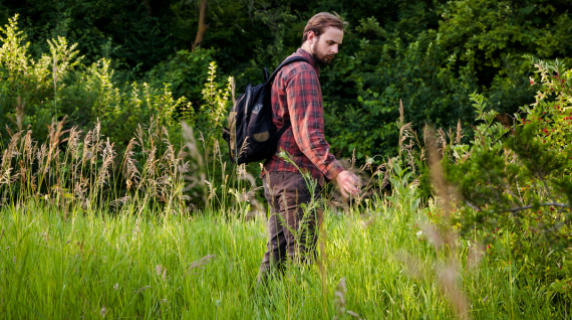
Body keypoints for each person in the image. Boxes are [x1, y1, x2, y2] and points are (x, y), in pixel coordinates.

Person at [258, 12, 360, 284]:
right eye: (330, 42)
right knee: (301, 258)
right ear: (311, 36)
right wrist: (337, 172)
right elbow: (308, 134)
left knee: (276, 259)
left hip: (276, 176)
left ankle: (259, 309)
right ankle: (302, 310)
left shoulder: (287, 67)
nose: (335, 50)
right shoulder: (302, 72)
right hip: (293, 179)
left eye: (338, 44)